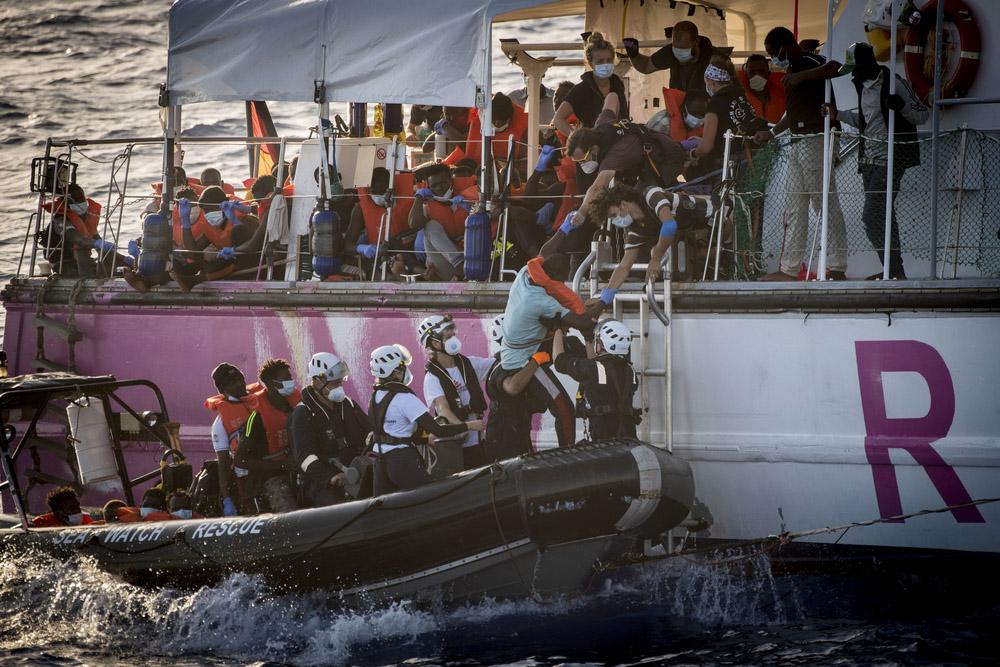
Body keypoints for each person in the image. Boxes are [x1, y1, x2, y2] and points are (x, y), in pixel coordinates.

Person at [493, 223, 605, 451]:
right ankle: (568, 452)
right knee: (563, 407)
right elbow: (584, 321)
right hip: (522, 360)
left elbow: (546, 249)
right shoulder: (539, 300)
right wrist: (607, 296)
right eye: (562, 280)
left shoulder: (527, 273)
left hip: (530, 344)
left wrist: (566, 227)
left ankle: (595, 384)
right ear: (553, 277)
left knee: (574, 346)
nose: (563, 285)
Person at [756, 26, 848, 281]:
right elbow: (792, 112)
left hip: (817, 139)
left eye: (773, 53)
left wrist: (803, 77)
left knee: (824, 204)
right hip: (798, 140)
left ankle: (837, 265)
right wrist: (773, 133)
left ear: (785, 47)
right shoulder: (792, 69)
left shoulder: (808, 62)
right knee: (795, 207)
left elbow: (839, 67)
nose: (773, 59)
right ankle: (789, 269)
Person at [833, 42, 927, 280]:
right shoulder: (862, 86)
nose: (852, 75)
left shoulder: (894, 82)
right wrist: (837, 115)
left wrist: (901, 106)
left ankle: (894, 270)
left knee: (872, 215)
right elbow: (867, 123)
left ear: (866, 63)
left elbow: (922, 115)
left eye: (855, 68)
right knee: (885, 216)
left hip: (891, 158)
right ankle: (894, 271)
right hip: (869, 161)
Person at [565, 93, 687, 253]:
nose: (582, 165)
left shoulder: (615, 155)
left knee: (641, 204)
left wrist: (581, 212)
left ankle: (652, 248)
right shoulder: (602, 124)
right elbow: (612, 97)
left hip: (664, 160)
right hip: (642, 161)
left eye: (584, 159)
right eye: (578, 162)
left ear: (594, 149)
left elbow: (597, 188)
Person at [368, 344, 483, 495]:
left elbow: (394, 431)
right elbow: (437, 430)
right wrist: (469, 426)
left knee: (384, 511)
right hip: (402, 461)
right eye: (403, 368)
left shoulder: (375, 396)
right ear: (396, 372)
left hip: (379, 461)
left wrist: (423, 438)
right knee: (430, 499)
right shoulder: (404, 398)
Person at [589, 181, 716, 286]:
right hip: (689, 234)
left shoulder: (650, 194)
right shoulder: (636, 229)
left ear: (623, 204)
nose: (615, 221)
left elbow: (669, 225)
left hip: (713, 217)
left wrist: (656, 258)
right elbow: (624, 266)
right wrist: (603, 300)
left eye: (613, 215)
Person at [289, 352, 370, 507]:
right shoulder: (302, 413)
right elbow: (304, 457)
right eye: (334, 383)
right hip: (322, 482)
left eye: (340, 382)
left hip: (356, 471)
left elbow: (368, 429)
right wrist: (330, 477)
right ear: (317, 381)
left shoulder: (348, 404)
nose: (339, 387)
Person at [418, 315, 494, 470]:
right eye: (448, 337)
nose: (454, 339)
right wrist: (466, 427)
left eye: (454, 335)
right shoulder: (432, 377)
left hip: (480, 442)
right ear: (434, 342)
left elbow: (498, 365)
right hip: (456, 447)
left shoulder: (469, 364)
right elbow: (443, 409)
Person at [234, 358, 301, 513]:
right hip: (270, 476)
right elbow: (240, 460)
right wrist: (281, 465)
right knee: (285, 503)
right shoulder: (256, 417)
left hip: (299, 469)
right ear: (271, 384)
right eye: (285, 379)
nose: (291, 382)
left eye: (290, 378)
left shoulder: (297, 406)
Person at [553, 320, 639, 440]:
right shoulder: (631, 372)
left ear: (602, 344)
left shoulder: (591, 369)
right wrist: (587, 336)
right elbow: (596, 364)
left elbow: (559, 361)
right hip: (628, 438)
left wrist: (557, 329)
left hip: (603, 442)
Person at [688, 57, 768, 178]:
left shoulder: (715, 103)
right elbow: (735, 127)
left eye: (706, 82)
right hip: (754, 163)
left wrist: (693, 154)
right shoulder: (742, 98)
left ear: (712, 82)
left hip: (730, 169)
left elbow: (706, 147)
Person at [169, 186, 260, 292]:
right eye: (206, 210)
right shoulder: (210, 227)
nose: (209, 213)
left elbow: (250, 250)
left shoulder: (246, 221)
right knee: (193, 263)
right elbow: (193, 253)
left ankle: (194, 281)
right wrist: (185, 221)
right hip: (228, 262)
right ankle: (167, 277)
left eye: (212, 208)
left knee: (217, 265)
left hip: (250, 265)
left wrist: (233, 249)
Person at [205, 362, 258, 517]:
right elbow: (223, 463)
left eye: (240, 379)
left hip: (271, 468)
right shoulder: (220, 423)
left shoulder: (260, 402)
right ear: (222, 390)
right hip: (246, 479)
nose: (240, 384)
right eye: (232, 382)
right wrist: (227, 498)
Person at [553, 32, 630, 138]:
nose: (605, 64)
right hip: (593, 145)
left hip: (620, 142)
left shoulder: (618, 85)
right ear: (590, 64)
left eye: (609, 60)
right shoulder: (581, 89)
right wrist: (576, 137)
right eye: (600, 61)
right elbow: (558, 119)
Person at [40, 184, 120, 277]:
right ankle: (88, 276)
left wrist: (123, 259)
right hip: (64, 266)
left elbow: (98, 241)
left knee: (112, 263)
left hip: (83, 263)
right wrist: (97, 243)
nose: (81, 201)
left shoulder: (83, 218)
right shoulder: (61, 220)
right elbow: (79, 240)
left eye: (82, 197)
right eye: (77, 198)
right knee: (84, 247)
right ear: (67, 201)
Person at [408, 162, 471, 281]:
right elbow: (413, 224)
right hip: (446, 266)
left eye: (443, 183)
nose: (440, 188)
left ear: (451, 182)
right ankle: (460, 266)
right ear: (429, 187)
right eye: (434, 185)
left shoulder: (466, 201)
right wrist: (419, 197)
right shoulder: (427, 207)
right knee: (430, 225)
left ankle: (463, 269)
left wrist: (471, 209)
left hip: (470, 261)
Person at [624, 20, 718, 91]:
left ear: (696, 42)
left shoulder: (715, 58)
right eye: (676, 49)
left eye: (684, 49)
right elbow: (646, 66)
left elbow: (727, 91)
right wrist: (633, 54)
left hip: (708, 111)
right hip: (678, 109)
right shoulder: (670, 52)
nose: (679, 53)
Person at [465, 92, 529, 170]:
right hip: (476, 167)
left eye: (501, 122)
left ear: (509, 118)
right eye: (494, 121)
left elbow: (525, 160)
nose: (497, 124)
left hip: (507, 168)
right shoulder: (477, 111)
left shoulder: (524, 121)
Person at [737, 54, 787, 125]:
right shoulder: (739, 98)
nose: (757, 75)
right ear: (746, 74)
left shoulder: (782, 96)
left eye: (761, 71)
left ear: (768, 73)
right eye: (752, 72)